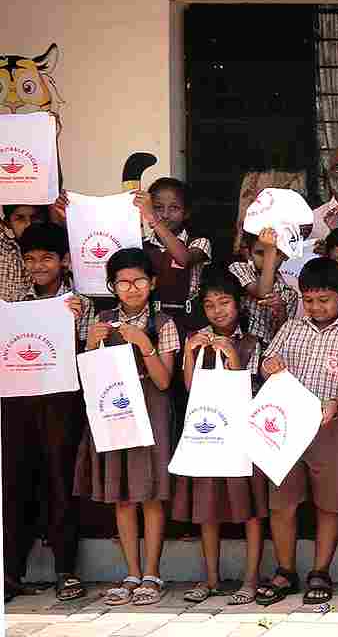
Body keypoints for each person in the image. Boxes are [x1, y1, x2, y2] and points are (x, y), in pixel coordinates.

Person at [256, 256, 338, 607]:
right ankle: (285, 570)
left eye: (324, 299)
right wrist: (269, 366)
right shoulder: (291, 328)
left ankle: (320, 571)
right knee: (282, 502)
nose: (315, 306)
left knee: (330, 502)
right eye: (308, 300)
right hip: (286, 427)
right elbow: (267, 365)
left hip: (335, 425)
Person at [77, 248, 180, 607]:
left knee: (150, 493)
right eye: (123, 282)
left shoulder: (163, 323)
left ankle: (151, 574)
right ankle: (131, 573)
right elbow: (89, 376)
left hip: (151, 409)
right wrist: (91, 344)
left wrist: (145, 344)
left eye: (139, 281)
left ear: (152, 283)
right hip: (113, 411)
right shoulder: (101, 320)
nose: (132, 288)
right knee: (122, 494)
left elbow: (164, 381)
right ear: (112, 286)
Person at [172, 269, 271, 605]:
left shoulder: (253, 341)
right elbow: (189, 388)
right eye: (210, 305)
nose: (218, 311)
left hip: (244, 437)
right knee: (207, 507)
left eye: (224, 302)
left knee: (251, 509)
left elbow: (253, 392)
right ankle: (211, 578)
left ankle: (250, 578)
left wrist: (233, 358)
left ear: (238, 303)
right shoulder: (197, 339)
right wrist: (190, 354)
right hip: (208, 435)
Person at [2, 223, 88, 602]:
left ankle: (66, 570)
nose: (38, 266)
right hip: (16, 403)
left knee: (60, 481)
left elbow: (89, 350)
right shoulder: (12, 305)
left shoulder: (79, 303)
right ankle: (10, 573)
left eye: (47, 258)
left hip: (62, 403)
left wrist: (75, 322)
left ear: (64, 261)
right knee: (14, 483)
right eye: (31, 259)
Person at [142, 177, 210, 320]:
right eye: (158, 207)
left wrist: (155, 221)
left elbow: (184, 259)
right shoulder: (142, 245)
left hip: (189, 318)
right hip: (151, 319)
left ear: (186, 213)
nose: (165, 215)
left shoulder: (198, 242)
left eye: (174, 208)